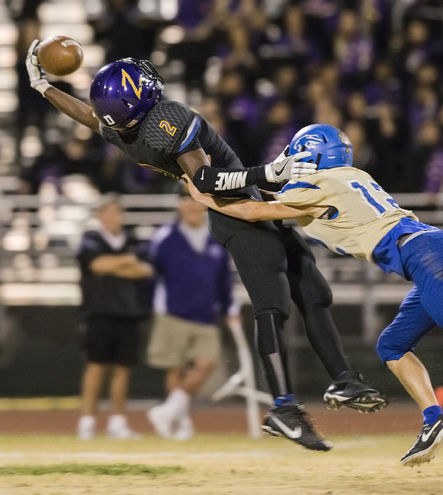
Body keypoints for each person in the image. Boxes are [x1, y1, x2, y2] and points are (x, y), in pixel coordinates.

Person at [184, 123, 443, 467]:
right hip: (437, 248)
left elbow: (259, 208)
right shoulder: (345, 178)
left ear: (311, 154)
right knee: (391, 345)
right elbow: (281, 200)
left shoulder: (321, 185)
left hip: (423, 255)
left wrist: (207, 197)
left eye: (297, 155)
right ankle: (433, 420)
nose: (290, 163)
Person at [26, 44, 387, 452]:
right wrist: (269, 172)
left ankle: (342, 379)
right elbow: (207, 181)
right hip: (235, 211)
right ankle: (283, 408)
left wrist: (44, 88)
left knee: (312, 290)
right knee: (273, 303)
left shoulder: (120, 126)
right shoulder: (165, 119)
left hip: (252, 199)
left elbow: (89, 117)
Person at [146, 193, 237, 440]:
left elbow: (224, 280)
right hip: (173, 313)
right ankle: (180, 421)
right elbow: (151, 274)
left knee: (205, 363)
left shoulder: (215, 237)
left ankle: (169, 411)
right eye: (185, 200)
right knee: (175, 368)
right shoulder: (165, 237)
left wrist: (230, 308)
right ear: (179, 205)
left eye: (194, 200)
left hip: (206, 314)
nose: (190, 206)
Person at [76, 194, 154, 440]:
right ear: (100, 216)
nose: (112, 217)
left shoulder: (133, 241)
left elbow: (144, 271)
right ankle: (87, 422)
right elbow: (96, 265)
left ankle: (117, 422)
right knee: (96, 367)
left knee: (123, 369)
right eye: (107, 212)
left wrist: (115, 265)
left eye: (116, 212)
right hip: (99, 313)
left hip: (129, 313)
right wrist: (126, 263)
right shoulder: (90, 239)